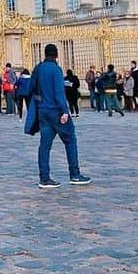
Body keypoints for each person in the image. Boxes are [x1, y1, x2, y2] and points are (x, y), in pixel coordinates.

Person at [32, 43, 91, 189]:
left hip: (43, 111)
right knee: (70, 140)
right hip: (56, 111)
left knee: (44, 145)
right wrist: (65, 111)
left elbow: (32, 88)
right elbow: (59, 92)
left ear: (45, 54)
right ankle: (75, 175)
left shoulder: (38, 68)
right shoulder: (56, 70)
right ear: (56, 55)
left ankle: (44, 178)